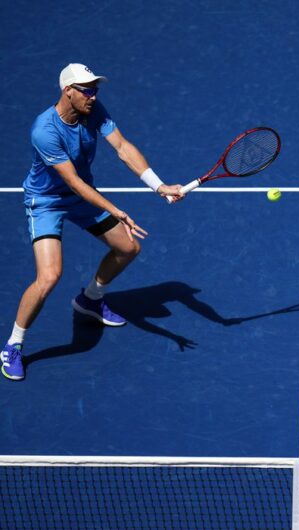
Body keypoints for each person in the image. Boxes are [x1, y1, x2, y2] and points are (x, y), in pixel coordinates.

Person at [1, 63, 184, 381]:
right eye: (86, 89)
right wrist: (117, 211)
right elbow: (73, 183)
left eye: (95, 88)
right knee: (49, 277)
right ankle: (12, 346)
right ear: (67, 91)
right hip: (46, 203)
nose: (93, 94)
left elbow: (123, 147)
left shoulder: (93, 109)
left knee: (127, 248)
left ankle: (90, 299)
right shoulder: (44, 130)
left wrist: (158, 185)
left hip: (81, 198)